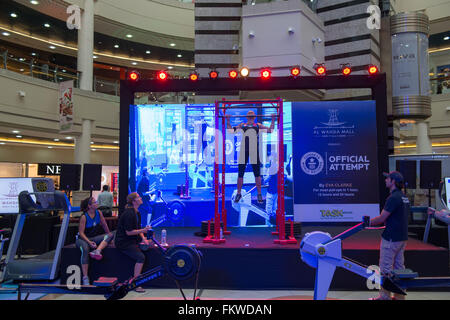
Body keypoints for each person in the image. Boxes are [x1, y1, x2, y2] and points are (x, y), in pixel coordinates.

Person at [369, 171, 410, 300]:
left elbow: (382, 218)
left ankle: (384, 297)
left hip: (391, 238)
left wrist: (366, 223)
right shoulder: (404, 197)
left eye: (388, 179)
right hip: (402, 238)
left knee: (385, 269)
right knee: (399, 268)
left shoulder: (393, 198)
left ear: (393, 182)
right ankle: (399, 297)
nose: (386, 180)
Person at [226, 111, 275, 203]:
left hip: (254, 151)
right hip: (244, 150)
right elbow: (230, 131)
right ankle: (239, 193)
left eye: (252, 115)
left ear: (254, 117)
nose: (251, 116)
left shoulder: (258, 125)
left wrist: (273, 119)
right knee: (240, 174)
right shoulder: (242, 125)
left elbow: (270, 130)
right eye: (249, 114)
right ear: (247, 117)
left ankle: (259, 194)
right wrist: (228, 120)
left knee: (257, 174)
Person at [115, 192, 152, 293]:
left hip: (131, 240)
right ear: (134, 201)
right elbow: (129, 232)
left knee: (149, 244)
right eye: (139, 197)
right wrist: (143, 231)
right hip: (123, 242)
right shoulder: (129, 213)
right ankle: (136, 284)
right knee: (141, 257)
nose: (141, 198)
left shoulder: (137, 212)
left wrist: (144, 239)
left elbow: (138, 228)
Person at [75, 197, 115, 285]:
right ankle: (85, 277)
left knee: (111, 234)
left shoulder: (99, 213)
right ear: (89, 206)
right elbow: (81, 233)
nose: (97, 203)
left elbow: (104, 225)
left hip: (93, 238)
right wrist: (89, 242)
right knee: (85, 249)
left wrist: (109, 238)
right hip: (82, 239)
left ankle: (97, 251)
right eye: (94, 202)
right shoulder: (84, 217)